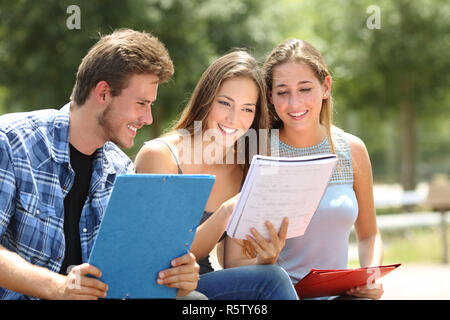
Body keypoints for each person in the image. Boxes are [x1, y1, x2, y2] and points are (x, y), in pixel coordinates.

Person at [0, 29, 201, 300]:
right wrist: (57, 288)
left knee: (193, 300)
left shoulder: (121, 171)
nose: (148, 118)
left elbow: (130, 271)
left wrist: (177, 277)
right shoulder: (12, 142)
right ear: (103, 93)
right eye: (141, 103)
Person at [224, 39, 384, 300]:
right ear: (270, 97)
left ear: (326, 87)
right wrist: (263, 263)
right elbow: (232, 260)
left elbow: (369, 235)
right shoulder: (256, 153)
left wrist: (372, 274)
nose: (294, 103)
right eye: (283, 92)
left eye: (305, 89)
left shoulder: (352, 150)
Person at [134, 50, 298, 300]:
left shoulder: (243, 168)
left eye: (246, 109)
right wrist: (224, 214)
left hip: (206, 285)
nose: (234, 119)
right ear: (206, 99)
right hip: (161, 286)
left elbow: (234, 262)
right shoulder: (160, 156)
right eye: (224, 103)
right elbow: (165, 260)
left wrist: (265, 259)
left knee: (272, 274)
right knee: (273, 279)